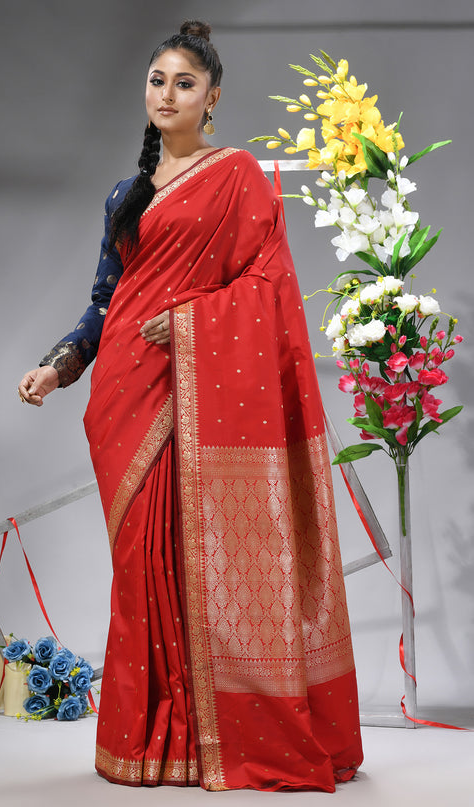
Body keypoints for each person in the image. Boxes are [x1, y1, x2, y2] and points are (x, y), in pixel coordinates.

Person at [18, 20, 363, 793]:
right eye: (156, 80)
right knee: (140, 566)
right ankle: (153, 738)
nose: (166, 94)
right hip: (125, 395)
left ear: (211, 98)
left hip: (200, 387)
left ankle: (203, 737)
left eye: (184, 83)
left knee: (196, 557)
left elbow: (266, 285)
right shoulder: (124, 195)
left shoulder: (237, 175)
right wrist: (57, 366)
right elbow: (103, 304)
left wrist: (186, 322)